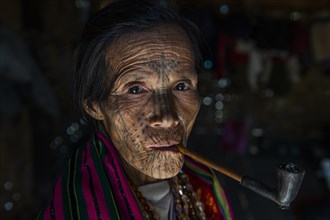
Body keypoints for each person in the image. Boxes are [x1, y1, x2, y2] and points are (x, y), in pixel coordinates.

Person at [37, 0, 233, 219]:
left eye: (181, 86)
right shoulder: (77, 212)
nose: (167, 118)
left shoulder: (205, 186)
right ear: (95, 105)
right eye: (136, 89)